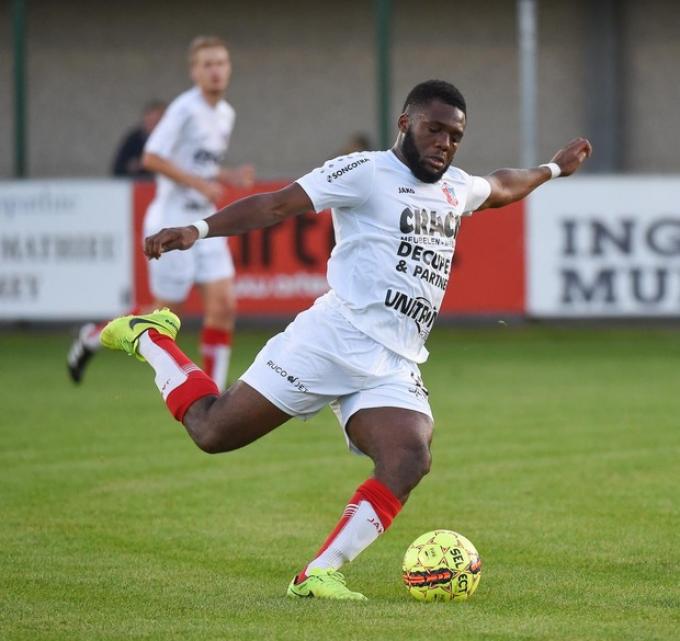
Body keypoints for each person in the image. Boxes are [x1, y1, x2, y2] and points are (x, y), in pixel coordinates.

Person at [99, 80, 592, 600]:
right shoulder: (365, 172)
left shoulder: (454, 187)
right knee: (212, 431)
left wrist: (553, 169)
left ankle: (319, 573)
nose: (444, 143)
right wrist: (197, 230)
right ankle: (151, 338)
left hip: (393, 361)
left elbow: (501, 186)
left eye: (454, 136)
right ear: (405, 123)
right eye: (434, 130)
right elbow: (276, 206)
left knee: (409, 458)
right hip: (331, 340)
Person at [67, 35, 254, 389]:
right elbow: (152, 157)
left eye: (221, 63)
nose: (215, 71)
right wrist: (199, 184)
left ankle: (213, 394)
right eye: (207, 64)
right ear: (194, 71)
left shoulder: (225, 114)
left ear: (229, 68)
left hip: (204, 221)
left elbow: (198, 163)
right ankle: (93, 336)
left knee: (224, 306)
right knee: (163, 314)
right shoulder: (184, 109)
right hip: (171, 218)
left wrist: (226, 175)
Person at [111, 100, 167, 178]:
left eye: (156, 122)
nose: (153, 126)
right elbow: (118, 168)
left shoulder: (172, 140)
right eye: (150, 121)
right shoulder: (133, 139)